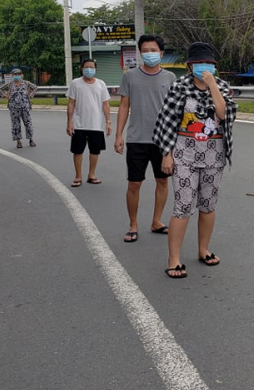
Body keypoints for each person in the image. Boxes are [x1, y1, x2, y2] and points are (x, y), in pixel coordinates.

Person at [153, 42, 237, 278]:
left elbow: (224, 114)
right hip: (184, 156)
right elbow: (167, 120)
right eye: (200, 63)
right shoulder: (179, 86)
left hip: (214, 155)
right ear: (190, 65)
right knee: (183, 205)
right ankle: (174, 259)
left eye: (209, 63)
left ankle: (203, 249)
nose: (204, 67)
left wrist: (212, 86)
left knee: (208, 205)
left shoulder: (221, 86)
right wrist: (167, 154)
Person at [114, 35, 176, 242]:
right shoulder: (130, 76)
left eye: (153, 50)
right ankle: (133, 224)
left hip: (163, 140)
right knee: (134, 183)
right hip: (136, 139)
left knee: (162, 181)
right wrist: (118, 135)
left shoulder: (170, 78)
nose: (150, 53)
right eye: (145, 50)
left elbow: (175, 111)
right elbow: (124, 106)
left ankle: (156, 221)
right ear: (141, 53)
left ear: (161, 53)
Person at [66, 58, 111, 187]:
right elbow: (71, 104)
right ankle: (78, 176)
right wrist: (69, 122)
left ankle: (91, 175)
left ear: (96, 69)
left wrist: (108, 122)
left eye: (92, 67)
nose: (89, 70)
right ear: (82, 68)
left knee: (95, 151)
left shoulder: (101, 84)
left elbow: (106, 104)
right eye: (86, 67)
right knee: (78, 150)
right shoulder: (76, 83)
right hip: (79, 123)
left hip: (96, 124)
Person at [0, 68, 37, 148]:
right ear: (12, 76)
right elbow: (0, 88)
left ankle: (31, 139)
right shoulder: (10, 84)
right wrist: (5, 95)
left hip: (25, 107)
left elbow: (35, 87)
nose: (17, 76)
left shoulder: (26, 83)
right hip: (14, 107)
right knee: (16, 124)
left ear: (22, 75)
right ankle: (18, 141)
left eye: (18, 74)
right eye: (15, 75)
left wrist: (31, 95)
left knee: (28, 123)